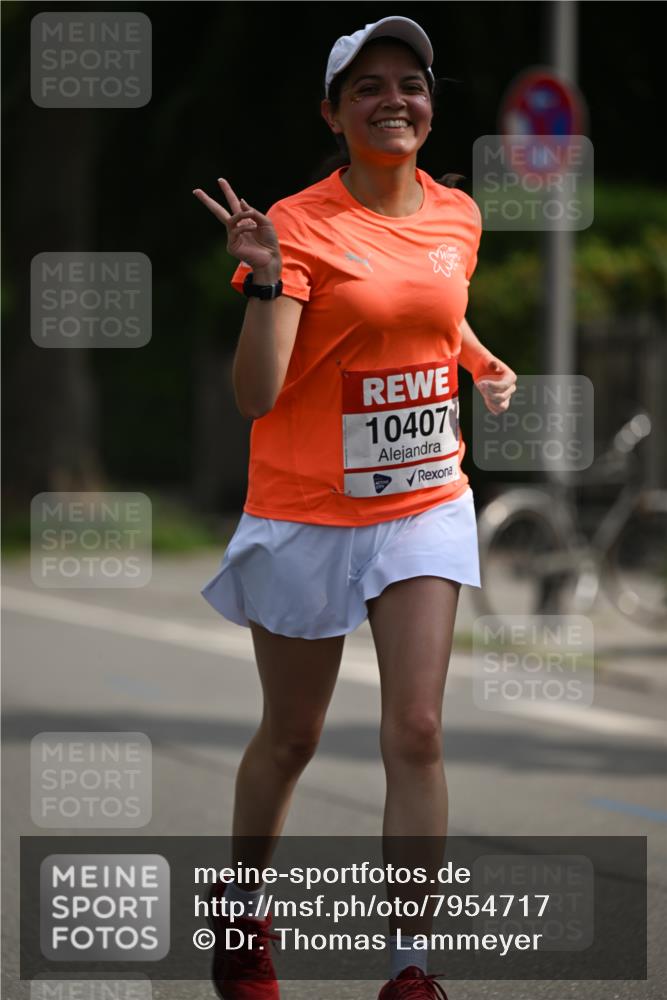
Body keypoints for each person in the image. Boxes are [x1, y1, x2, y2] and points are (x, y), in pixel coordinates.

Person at [193, 15, 516, 1000]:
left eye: (410, 83)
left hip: (424, 498)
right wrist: (258, 280)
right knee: (291, 737)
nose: (394, 100)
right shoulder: (296, 225)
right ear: (333, 113)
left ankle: (407, 967)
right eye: (367, 86)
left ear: (430, 101)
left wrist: (477, 359)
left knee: (415, 728)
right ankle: (243, 919)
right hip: (306, 508)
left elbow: (433, 298)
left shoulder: (457, 213)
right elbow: (257, 394)